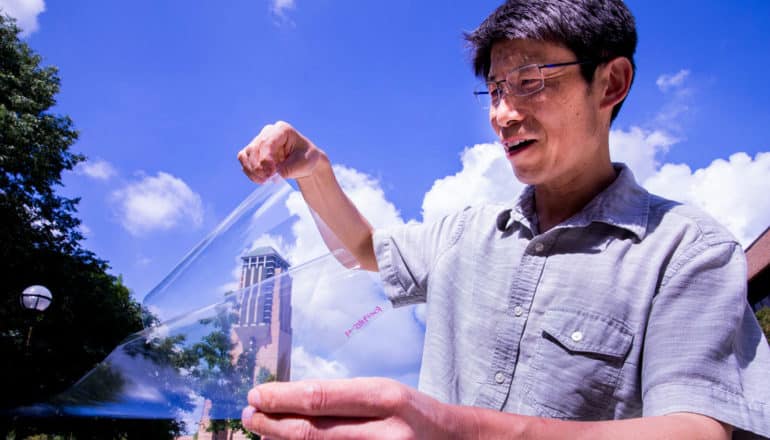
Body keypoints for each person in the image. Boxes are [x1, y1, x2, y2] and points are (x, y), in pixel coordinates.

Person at [237, 0, 770, 438]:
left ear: (611, 84)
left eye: (530, 80)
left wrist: (458, 430)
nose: (502, 114)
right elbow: (361, 248)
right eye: (494, 90)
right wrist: (313, 171)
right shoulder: (464, 233)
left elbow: (695, 430)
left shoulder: (687, 251)